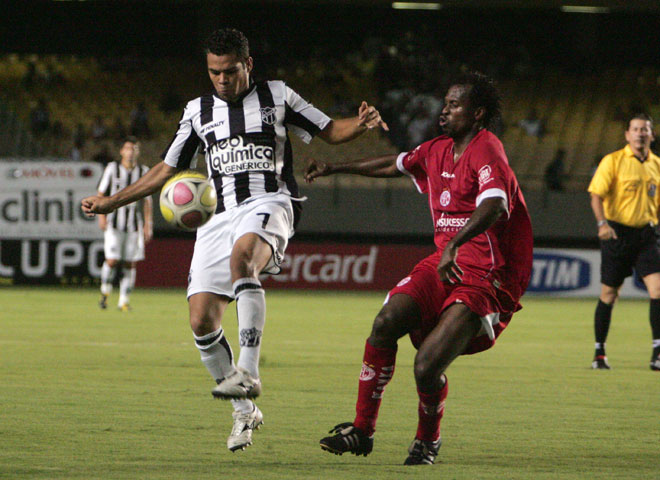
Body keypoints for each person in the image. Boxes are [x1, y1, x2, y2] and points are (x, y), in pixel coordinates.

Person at [81, 28, 388, 453]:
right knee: (201, 321)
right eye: (214, 72)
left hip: (270, 200)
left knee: (244, 259)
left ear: (248, 66)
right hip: (216, 215)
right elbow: (167, 168)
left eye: (230, 71)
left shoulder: (278, 95)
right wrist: (112, 201)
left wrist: (364, 123)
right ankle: (244, 411)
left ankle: (248, 370)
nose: (222, 79)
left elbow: (331, 130)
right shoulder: (196, 110)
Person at [305, 72, 533, 465]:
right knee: (386, 321)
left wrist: (456, 244)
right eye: (444, 103)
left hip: (487, 274)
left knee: (427, 366)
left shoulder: (487, 148)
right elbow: (392, 165)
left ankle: (427, 440)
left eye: (454, 105)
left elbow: (494, 204)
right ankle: (362, 430)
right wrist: (335, 168)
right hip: (446, 262)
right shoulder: (436, 150)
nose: (443, 110)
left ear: (477, 113)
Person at [587, 113, 660, 371]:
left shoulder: (657, 165)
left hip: (647, 235)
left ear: (651, 135)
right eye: (636, 129)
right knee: (609, 294)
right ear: (627, 134)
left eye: (645, 129)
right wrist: (602, 224)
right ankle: (599, 352)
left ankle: (657, 352)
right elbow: (596, 195)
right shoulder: (613, 161)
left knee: (658, 289)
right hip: (617, 233)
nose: (641, 133)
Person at [96, 136, 153, 311]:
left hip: (134, 226)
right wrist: (101, 216)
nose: (131, 152)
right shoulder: (113, 169)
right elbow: (101, 192)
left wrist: (147, 224)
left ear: (138, 152)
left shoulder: (144, 171)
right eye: (128, 148)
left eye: (134, 149)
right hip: (114, 223)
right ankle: (105, 292)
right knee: (112, 260)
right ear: (122, 151)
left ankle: (124, 301)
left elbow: (147, 201)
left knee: (130, 263)